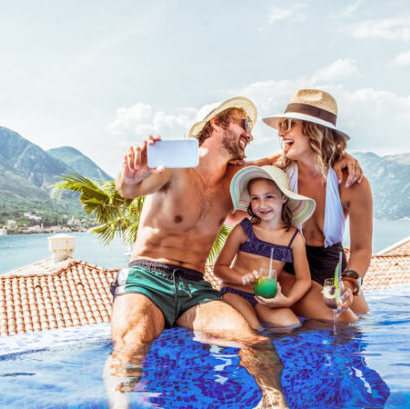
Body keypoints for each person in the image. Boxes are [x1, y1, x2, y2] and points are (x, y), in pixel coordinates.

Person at [107, 97, 290, 408]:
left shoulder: (237, 179)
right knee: (131, 344)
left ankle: (274, 401)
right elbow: (129, 188)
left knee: (254, 341)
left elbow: (285, 158)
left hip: (195, 288)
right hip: (147, 278)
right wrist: (132, 176)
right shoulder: (175, 164)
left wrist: (341, 156)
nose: (250, 134)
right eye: (244, 124)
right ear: (216, 122)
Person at [263, 89, 373, 323]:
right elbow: (239, 170)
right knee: (346, 323)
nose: (281, 133)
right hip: (291, 271)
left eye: (288, 125)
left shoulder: (351, 182)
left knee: (363, 320)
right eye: (281, 126)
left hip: (333, 270)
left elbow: (362, 249)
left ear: (314, 129)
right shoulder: (278, 172)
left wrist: (349, 282)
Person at [214, 165, 315, 330]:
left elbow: (304, 280)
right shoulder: (243, 230)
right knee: (255, 329)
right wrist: (241, 278)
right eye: (255, 198)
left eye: (269, 197)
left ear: (284, 197)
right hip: (234, 292)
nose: (261, 205)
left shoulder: (294, 238)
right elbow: (219, 268)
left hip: (266, 298)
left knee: (292, 325)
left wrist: (287, 301)